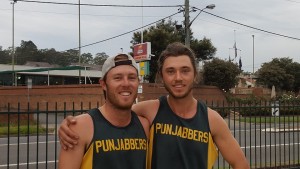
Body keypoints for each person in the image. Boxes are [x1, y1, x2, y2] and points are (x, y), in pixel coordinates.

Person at [59, 42, 250, 169]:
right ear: (161, 76)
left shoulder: (211, 119)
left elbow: (241, 164)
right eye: (170, 71)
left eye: (185, 70)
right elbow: (111, 113)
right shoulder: (150, 111)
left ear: (195, 75)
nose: (178, 78)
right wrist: (68, 125)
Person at [58, 53, 149, 169]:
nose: (126, 84)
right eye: (118, 78)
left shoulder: (145, 125)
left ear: (138, 82)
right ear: (103, 84)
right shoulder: (79, 128)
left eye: (131, 77)